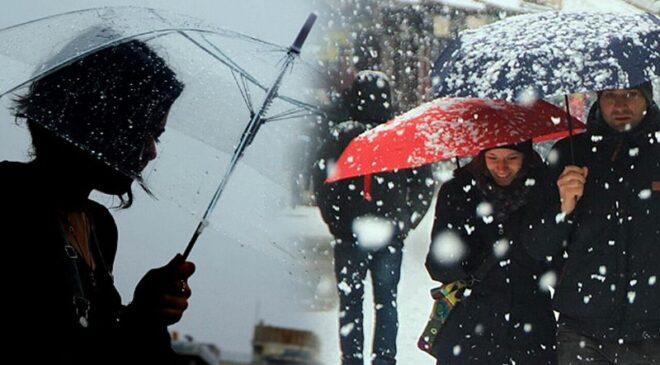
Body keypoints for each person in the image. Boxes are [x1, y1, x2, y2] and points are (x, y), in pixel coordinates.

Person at [1, 38, 193, 364]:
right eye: (142, 130)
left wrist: (146, 313)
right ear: (98, 117)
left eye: (156, 135)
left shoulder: (99, 226)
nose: (151, 151)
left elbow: (101, 348)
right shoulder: (9, 200)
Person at [523, 82, 660, 364]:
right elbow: (536, 246)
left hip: (652, 332)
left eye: (631, 95)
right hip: (582, 331)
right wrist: (563, 208)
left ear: (647, 98)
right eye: (611, 95)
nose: (620, 105)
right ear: (598, 98)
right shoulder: (570, 153)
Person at [312, 70, 435, 365]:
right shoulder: (400, 134)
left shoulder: (341, 136)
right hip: (387, 233)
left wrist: (337, 222)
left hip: (353, 233)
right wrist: (405, 221)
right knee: (386, 302)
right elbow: (424, 184)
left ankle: (352, 359)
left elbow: (321, 181)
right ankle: (384, 359)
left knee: (351, 304)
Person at [425, 141, 558, 364]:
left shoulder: (545, 192)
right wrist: (461, 251)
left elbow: (554, 261)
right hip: (469, 331)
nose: (502, 167)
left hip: (531, 332)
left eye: (511, 158)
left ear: (526, 158)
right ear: (481, 158)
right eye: (493, 158)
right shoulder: (457, 193)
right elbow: (438, 267)